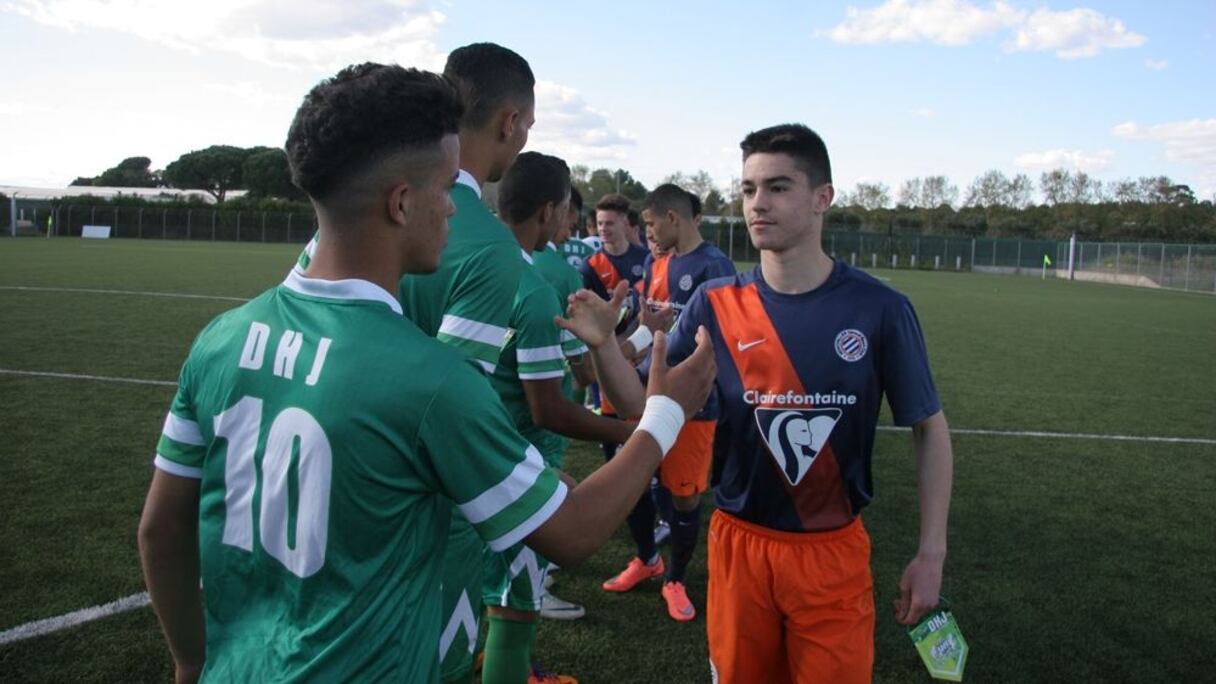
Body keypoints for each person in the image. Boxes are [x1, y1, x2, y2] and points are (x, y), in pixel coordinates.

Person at [137, 62, 716, 684]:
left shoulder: (219, 339)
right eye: (445, 189)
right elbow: (572, 533)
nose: (453, 208)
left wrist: (190, 663)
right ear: (402, 202)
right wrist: (665, 413)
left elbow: (161, 530)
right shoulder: (432, 380)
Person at [559, 123, 953, 683]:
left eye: (778, 187)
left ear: (822, 198)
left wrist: (931, 553)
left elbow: (928, 428)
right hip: (740, 544)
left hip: (832, 553)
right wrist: (604, 348)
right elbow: (640, 405)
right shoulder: (716, 304)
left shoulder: (880, 308)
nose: (757, 203)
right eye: (748, 189)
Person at [481, 152, 646, 678]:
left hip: (461, 453)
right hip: (513, 458)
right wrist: (635, 433)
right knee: (513, 605)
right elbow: (551, 404)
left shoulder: (463, 258)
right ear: (550, 212)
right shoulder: (538, 284)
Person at [595, 184, 736, 622]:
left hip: (693, 404)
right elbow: (650, 329)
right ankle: (647, 558)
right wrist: (624, 353)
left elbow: (717, 341)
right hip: (644, 396)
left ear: (673, 218)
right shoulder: (659, 264)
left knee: (684, 496)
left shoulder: (715, 265)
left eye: (652, 224)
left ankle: (675, 578)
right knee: (633, 483)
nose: (648, 234)